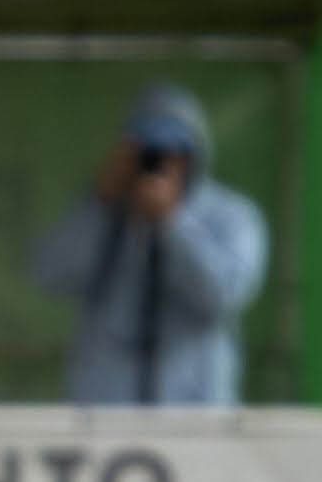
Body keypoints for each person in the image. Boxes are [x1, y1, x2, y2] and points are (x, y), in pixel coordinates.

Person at [27, 85, 271, 408]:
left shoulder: (232, 216)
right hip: (105, 412)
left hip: (195, 414)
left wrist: (172, 224)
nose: (160, 163)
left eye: (175, 152)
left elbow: (223, 293)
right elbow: (47, 274)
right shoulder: (103, 213)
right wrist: (98, 204)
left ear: (195, 155)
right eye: (148, 151)